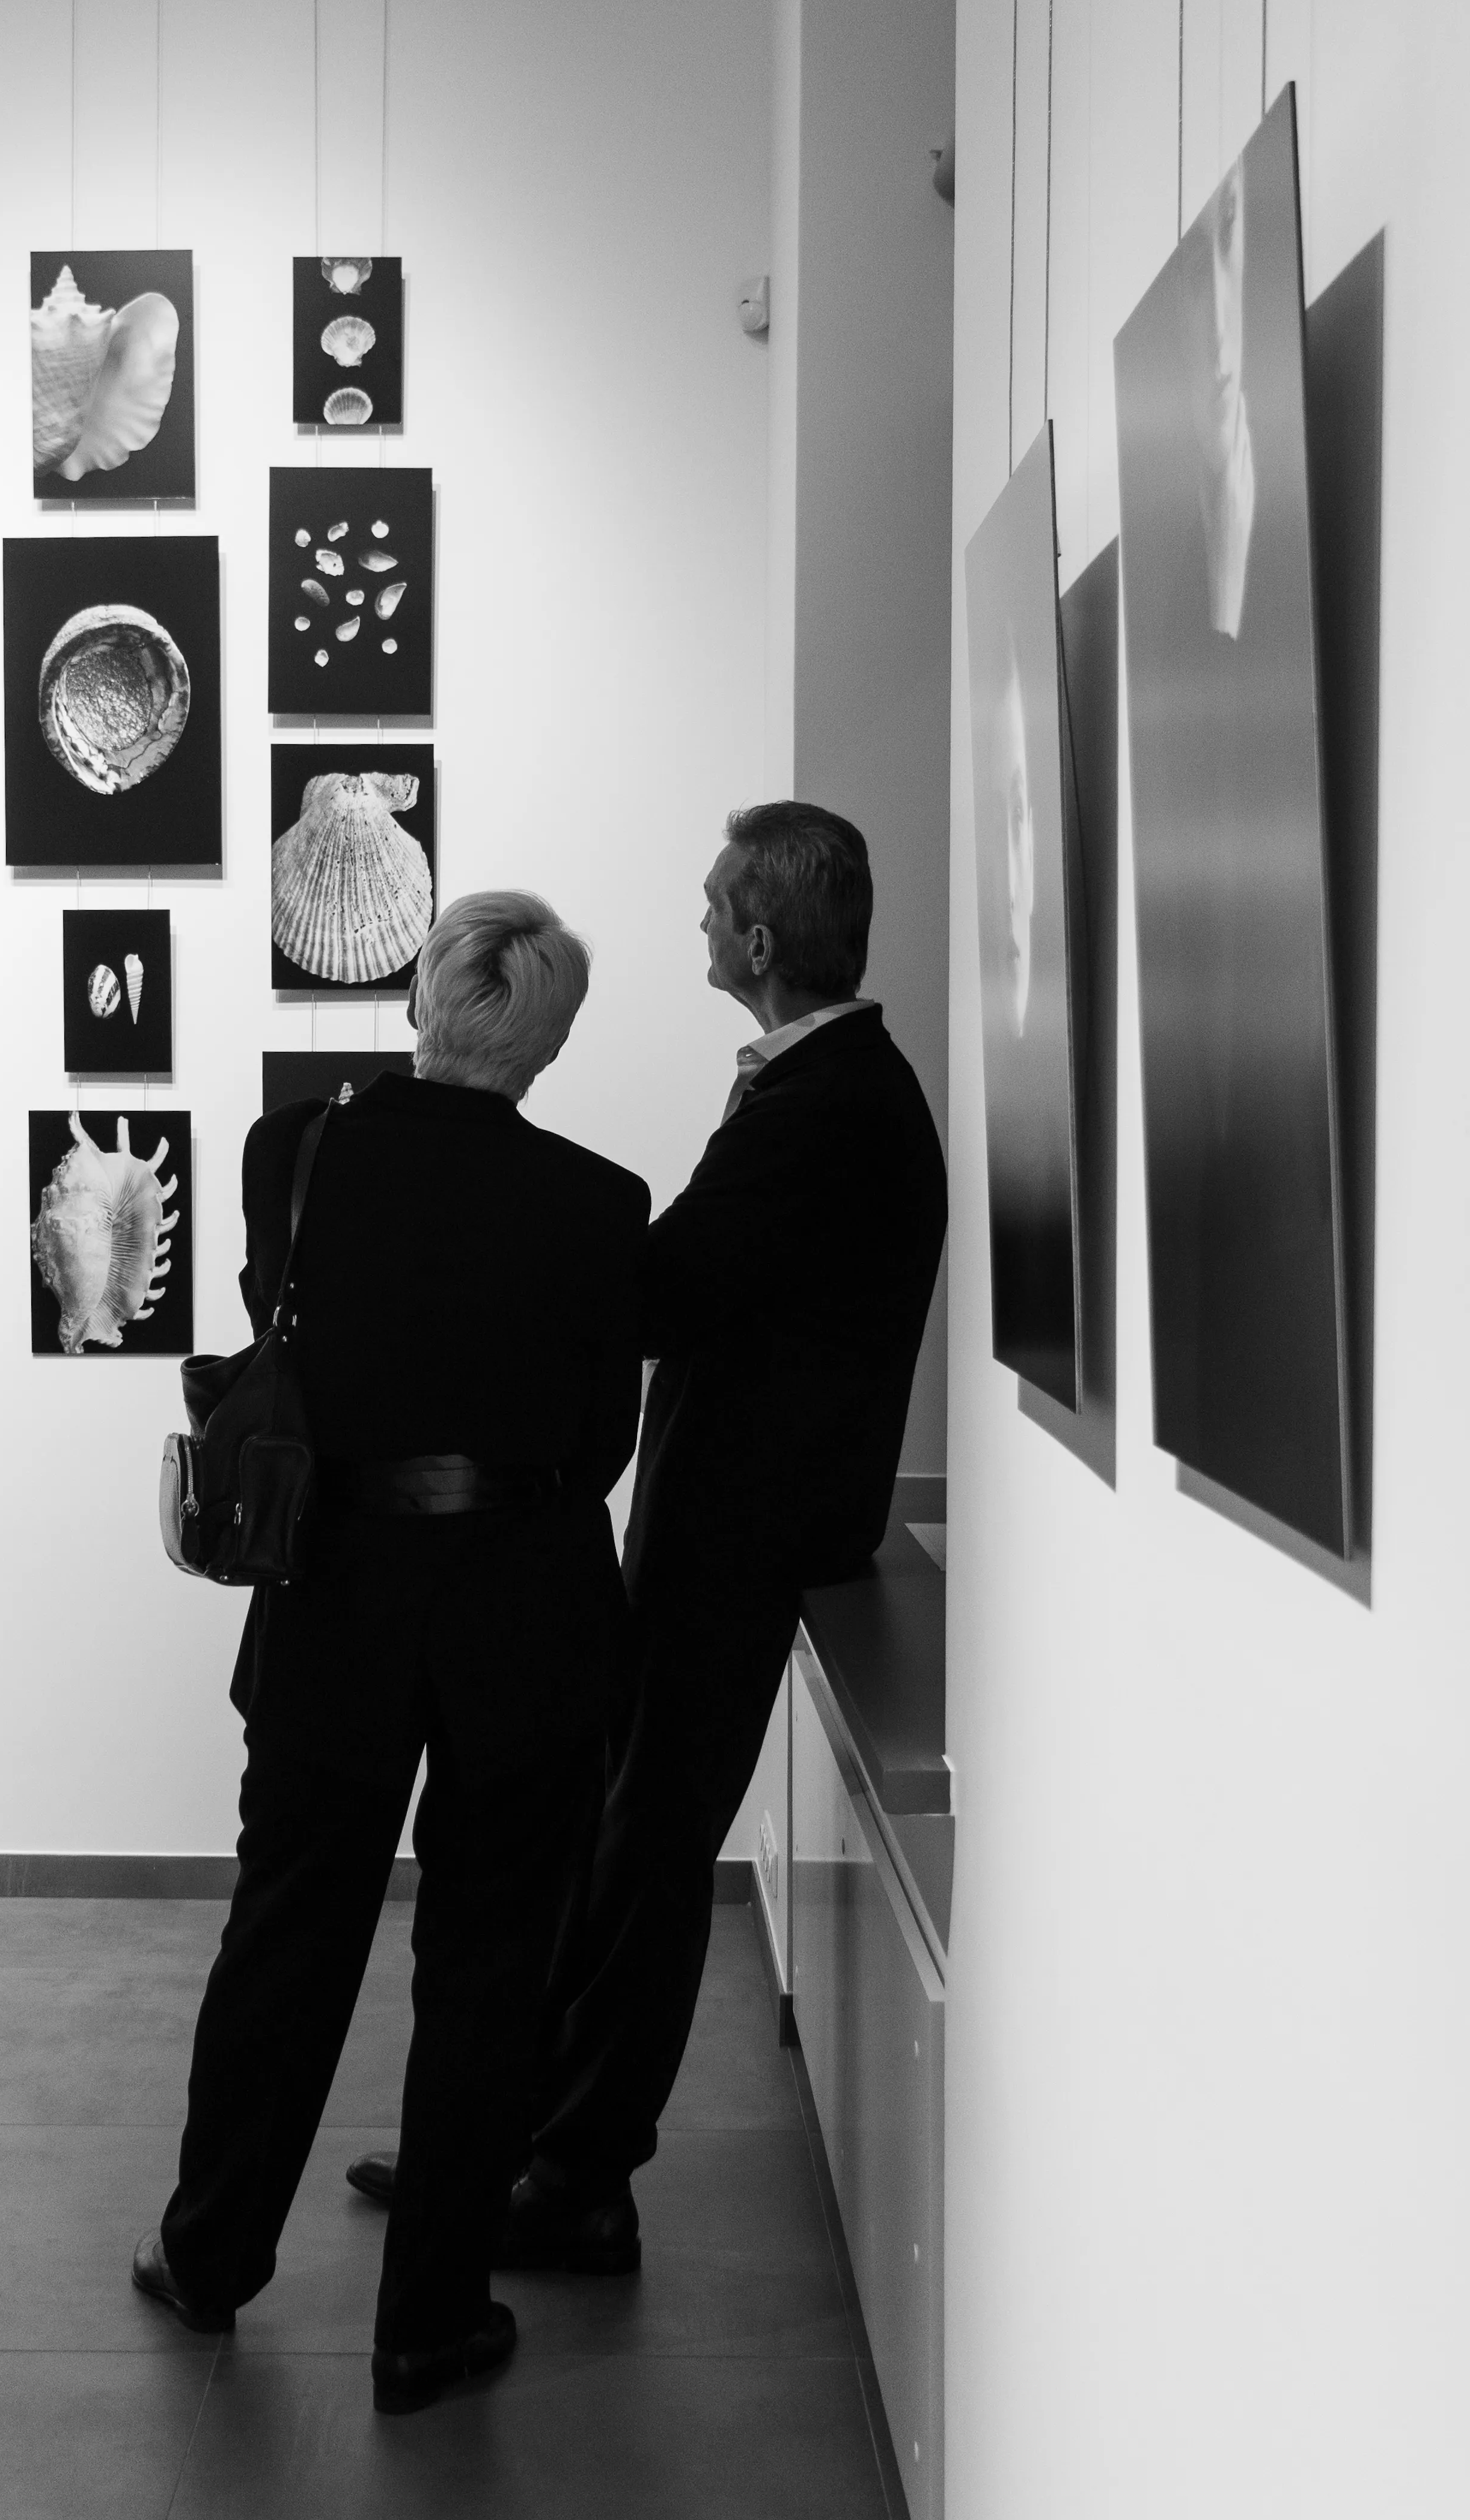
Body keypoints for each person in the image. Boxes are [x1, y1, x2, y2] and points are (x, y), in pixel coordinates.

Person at [348, 801, 947, 2270]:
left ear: (758, 935)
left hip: (738, 1531)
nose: (696, 920)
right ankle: (512, 2147)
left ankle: (575, 2175)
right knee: (618, 1843)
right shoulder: (828, 1089)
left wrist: (504, 1233)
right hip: (726, 1518)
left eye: (710, 902)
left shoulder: (822, 1105)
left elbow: (663, 1287)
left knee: (646, 1855)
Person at [132, 888, 650, 2412]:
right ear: (548, 1041)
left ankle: (210, 2254)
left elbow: (281, 1331)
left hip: (335, 1594)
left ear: (421, 1000)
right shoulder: (599, 1200)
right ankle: (427, 2319)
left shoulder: (293, 1149)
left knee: (286, 1933)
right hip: (525, 1605)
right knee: (490, 1963)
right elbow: (598, 1441)